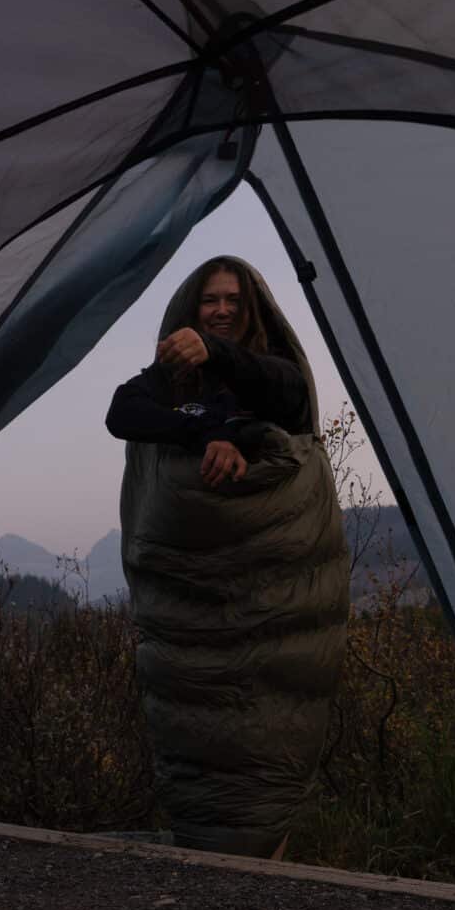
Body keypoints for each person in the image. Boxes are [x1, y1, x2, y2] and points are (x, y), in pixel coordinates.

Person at [106, 256, 349, 860]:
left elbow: (285, 401)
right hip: (191, 613)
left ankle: (257, 872)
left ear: (251, 311)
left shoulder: (275, 374)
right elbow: (122, 413)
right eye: (209, 301)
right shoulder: (174, 380)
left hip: (274, 601)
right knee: (204, 745)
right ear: (193, 310)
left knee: (266, 741)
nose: (220, 311)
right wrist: (207, 430)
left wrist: (229, 410)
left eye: (232, 302)